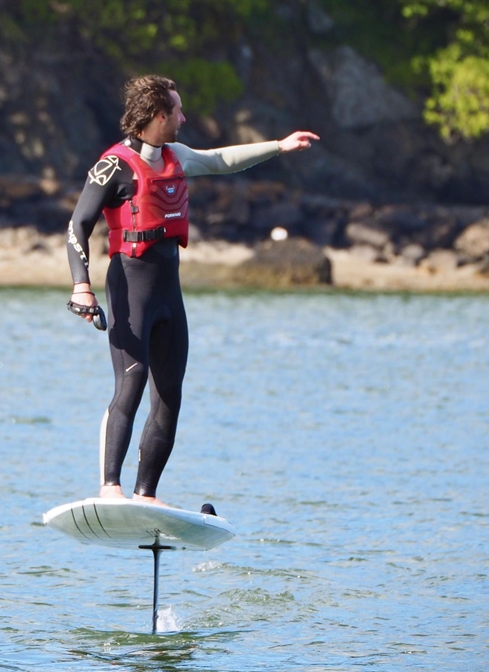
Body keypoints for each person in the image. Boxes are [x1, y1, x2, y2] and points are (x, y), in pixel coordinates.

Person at [65, 75, 319, 507]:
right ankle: (110, 488)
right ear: (158, 115)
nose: (184, 117)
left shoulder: (176, 156)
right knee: (132, 381)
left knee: (169, 393)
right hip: (130, 287)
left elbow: (220, 160)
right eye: (178, 111)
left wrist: (279, 145)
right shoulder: (114, 164)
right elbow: (78, 226)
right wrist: (82, 287)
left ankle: (146, 494)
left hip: (168, 293)